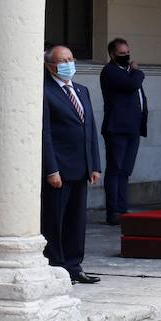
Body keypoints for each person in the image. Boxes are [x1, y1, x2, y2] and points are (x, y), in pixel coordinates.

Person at [40, 44, 102, 283]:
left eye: (71, 59)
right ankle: (57, 265)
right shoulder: (45, 91)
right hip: (59, 169)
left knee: (76, 221)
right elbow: (45, 134)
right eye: (63, 60)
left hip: (80, 167)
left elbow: (89, 128)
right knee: (55, 220)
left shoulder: (81, 89)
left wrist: (94, 164)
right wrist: (51, 169)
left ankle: (74, 266)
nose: (68, 64)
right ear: (50, 66)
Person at [99, 38, 147, 226]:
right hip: (117, 128)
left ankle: (122, 207)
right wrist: (135, 70)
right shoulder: (110, 71)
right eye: (122, 54)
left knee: (125, 171)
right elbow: (132, 85)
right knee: (115, 169)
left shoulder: (127, 72)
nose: (127, 56)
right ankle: (113, 211)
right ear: (112, 55)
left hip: (132, 128)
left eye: (128, 52)